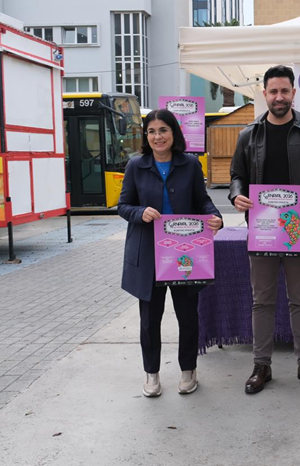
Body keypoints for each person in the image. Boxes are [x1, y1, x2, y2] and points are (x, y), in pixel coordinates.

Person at [230, 65, 300, 394]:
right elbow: (236, 176)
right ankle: (262, 366)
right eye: (273, 91)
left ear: (293, 93)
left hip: (296, 230)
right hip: (261, 230)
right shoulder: (249, 135)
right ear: (265, 95)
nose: (279, 97)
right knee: (262, 301)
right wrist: (236, 196)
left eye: (284, 91)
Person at [118, 109, 223, 398]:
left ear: (174, 133)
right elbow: (123, 205)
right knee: (150, 319)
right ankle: (151, 374)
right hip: (149, 255)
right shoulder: (136, 166)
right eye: (151, 131)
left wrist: (216, 218)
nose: (157, 136)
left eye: (163, 130)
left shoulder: (189, 164)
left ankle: (188, 370)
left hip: (184, 254)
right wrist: (141, 213)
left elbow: (203, 201)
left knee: (188, 316)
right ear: (146, 136)